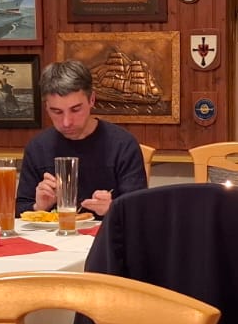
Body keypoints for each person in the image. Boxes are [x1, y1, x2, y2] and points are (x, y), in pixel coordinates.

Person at [16, 60, 148, 217]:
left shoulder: (123, 145)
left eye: (75, 109)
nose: (66, 122)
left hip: (107, 231)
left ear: (92, 100)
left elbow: (140, 212)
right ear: (46, 107)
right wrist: (39, 206)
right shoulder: (38, 148)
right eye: (57, 112)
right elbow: (19, 211)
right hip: (55, 232)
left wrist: (113, 209)